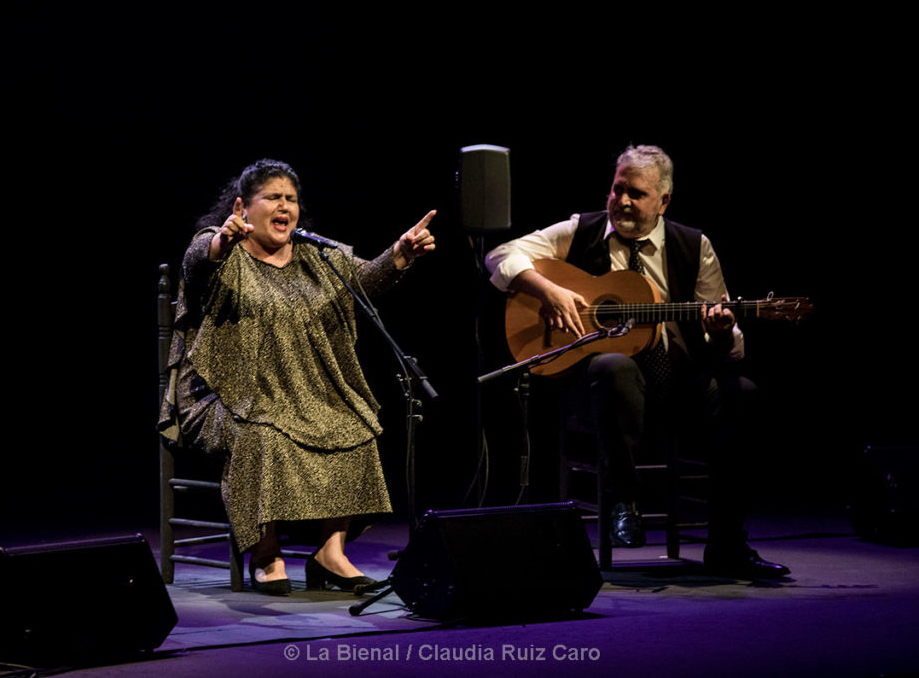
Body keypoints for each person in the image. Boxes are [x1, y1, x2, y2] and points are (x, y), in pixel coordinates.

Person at [484, 144, 789, 579]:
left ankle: (728, 543)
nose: (622, 202)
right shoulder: (580, 230)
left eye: (637, 194)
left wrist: (721, 333)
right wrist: (547, 290)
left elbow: (731, 349)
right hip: (598, 389)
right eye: (617, 189)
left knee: (743, 394)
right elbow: (499, 255)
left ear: (663, 201)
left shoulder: (693, 246)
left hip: (678, 385)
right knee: (613, 366)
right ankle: (623, 500)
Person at [159, 158, 436, 595]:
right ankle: (265, 552)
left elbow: (363, 280)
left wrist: (399, 255)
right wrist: (222, 242)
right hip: (218, 396)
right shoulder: (219, 248)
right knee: (264, 434)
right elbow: (198, 261)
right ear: (242, 207)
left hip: (302, 391)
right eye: (272, 197)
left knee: (355, 423)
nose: (284, 206)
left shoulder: (315, 255)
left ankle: (331, 551)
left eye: (290, 199)